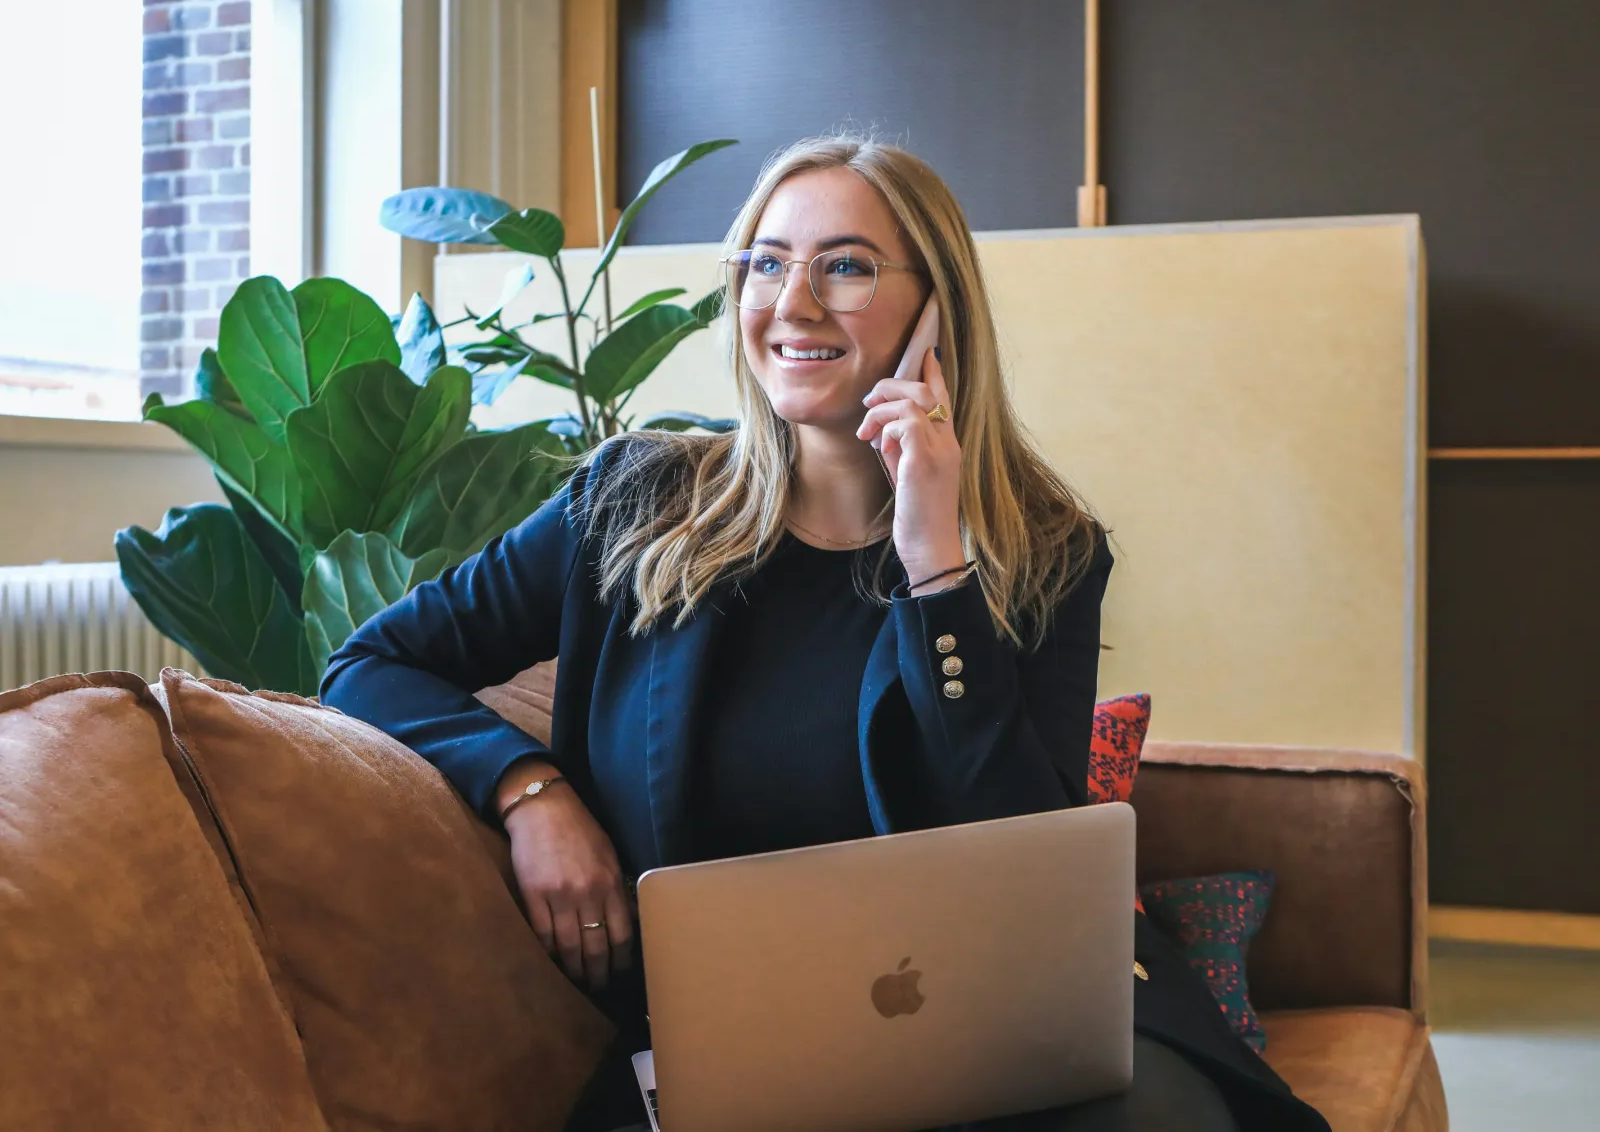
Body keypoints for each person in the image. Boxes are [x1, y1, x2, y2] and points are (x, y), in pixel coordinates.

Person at [322, 136, 1329, 1132]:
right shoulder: (630, 504)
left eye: (844, 266)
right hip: (735, 1048)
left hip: (1000, 1029)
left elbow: (1027, 861)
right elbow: (370, 661)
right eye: (766, 263)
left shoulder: (1043, 551)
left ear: (937, 310)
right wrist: (529, 791)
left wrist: (937, 569)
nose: (792, 302)